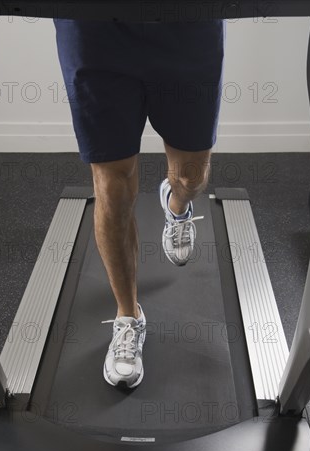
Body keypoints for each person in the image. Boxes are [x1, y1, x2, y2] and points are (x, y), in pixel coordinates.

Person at [53, 18, 225, 388]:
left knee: (191, 177)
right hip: (95, 29)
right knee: (112, 191)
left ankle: (177, 205)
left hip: (186, 24)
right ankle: (128, 316)